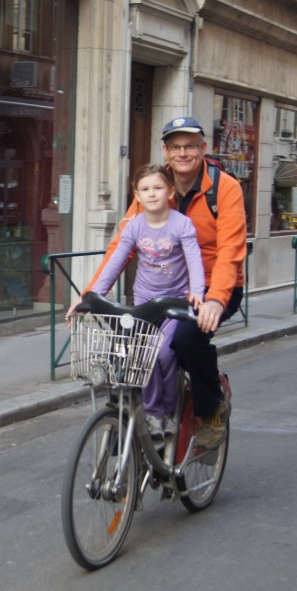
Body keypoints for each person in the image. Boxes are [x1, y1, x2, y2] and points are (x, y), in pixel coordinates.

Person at [68, 116, 247, 448]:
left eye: (190, 146)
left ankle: (212, 407)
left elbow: (230, 251)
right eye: (176, 147)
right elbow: (122, 246)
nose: (183, 153)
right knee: (132, 349)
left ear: (202, 149)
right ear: (166, 151)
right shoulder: (155, 187)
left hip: (213, 284)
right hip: (160, 291)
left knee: (188, 340)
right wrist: (90, 293)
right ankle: (142, 423)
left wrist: (215, 299)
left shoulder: (225, 188)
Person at [81, 163, 205, 438]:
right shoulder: (134, 226)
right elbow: (115, 262)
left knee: (164, 354)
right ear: (136, 196)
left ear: (171, 192)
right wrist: (91, 296)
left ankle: (170, 409)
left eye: (158, 188)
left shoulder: (181, 223)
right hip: (144, 303)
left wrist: (197, 290)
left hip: (173, 304)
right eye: (145, 189)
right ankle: (153, 413)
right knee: (142, 357)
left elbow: (194, 259)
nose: (152, 194)